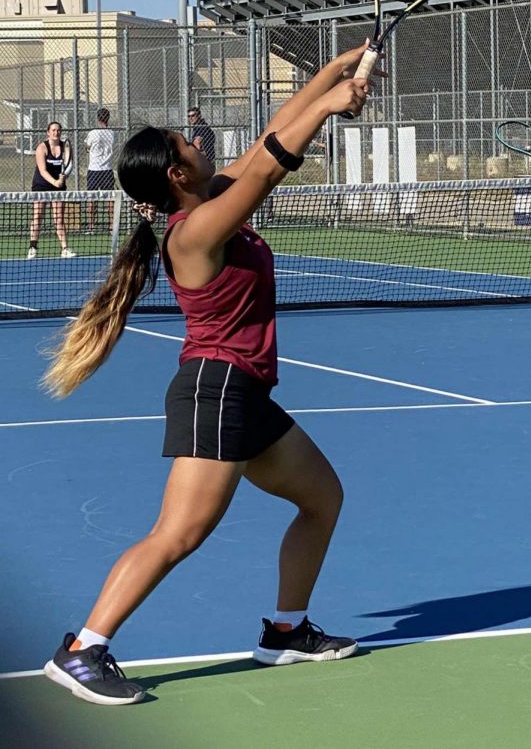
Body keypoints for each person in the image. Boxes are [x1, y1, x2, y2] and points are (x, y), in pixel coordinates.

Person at [41, 44, 369, 706]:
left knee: (321, 499)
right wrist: (331, 107)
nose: (195, 142)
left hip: (245, 395)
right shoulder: (194, 231)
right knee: (178, 534)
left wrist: (328, 73)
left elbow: (268, 140)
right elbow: (270, 170)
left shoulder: (209, 200)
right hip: (217, 391)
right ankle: (83, 650)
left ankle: (284, 631)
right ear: (173, 173)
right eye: (182, 143)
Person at [27, 121, 76, 260]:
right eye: (53, 130)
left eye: (58, 130)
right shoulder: (42, 147)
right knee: (38, 215)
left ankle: (65, 248)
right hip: (41, 185)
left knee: (59, 218)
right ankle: (32, 247)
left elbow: (68, 165)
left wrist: (63, 177)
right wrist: (54, 181)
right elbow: (42, 171)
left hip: (58, 186)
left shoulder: (64, 147)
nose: (56, 133)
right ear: (48, 132)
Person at [85, 107, 115, 231]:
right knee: (110, 198)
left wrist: (89, 149)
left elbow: (87, 147)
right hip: (107, 169)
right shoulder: (112, 132)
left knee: (92, 198)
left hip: (94, 170)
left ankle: (91, 226)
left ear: (98, 118)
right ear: (108, 118)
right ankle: (112, 225)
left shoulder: (93, 133)